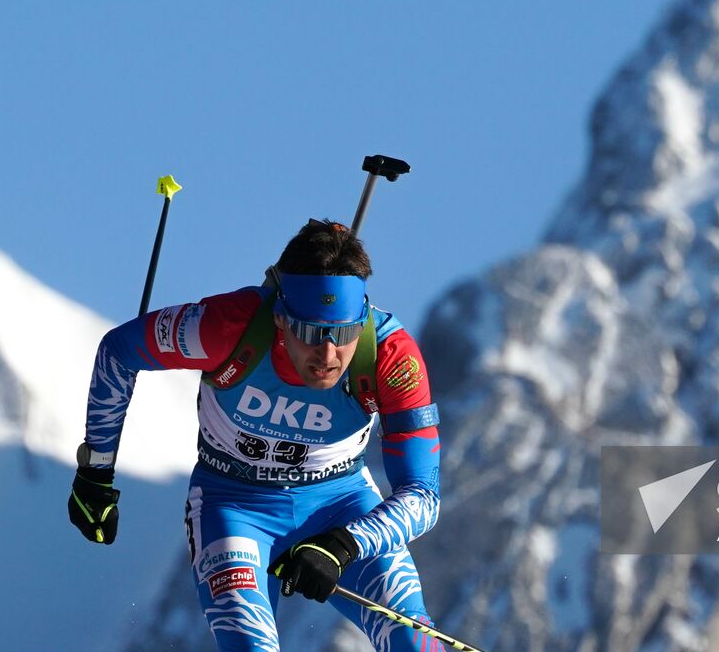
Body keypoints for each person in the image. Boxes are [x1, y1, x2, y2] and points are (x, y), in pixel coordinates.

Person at [67, 220, 445, 652]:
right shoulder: (227, 326)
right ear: (281, 319)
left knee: (413, 642)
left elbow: (424, 496)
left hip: (340, 506)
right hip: (233, 506)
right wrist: (95, 473)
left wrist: (344, 544)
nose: (327, 355)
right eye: (310, 333)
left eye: (342, 335)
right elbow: (119, 351)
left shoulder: (391, 357)